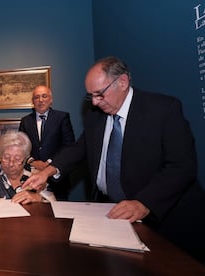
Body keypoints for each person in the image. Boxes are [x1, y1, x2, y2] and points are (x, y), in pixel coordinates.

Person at [23, 56, 205, 262]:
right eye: (90, 96)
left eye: (99, 94)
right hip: (111, 212)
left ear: (123, 82)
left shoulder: (163, 109)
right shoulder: (96, 115)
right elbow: (79, 148)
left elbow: (182, 166)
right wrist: (49, 170)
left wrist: (145, 203)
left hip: (164, 219)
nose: (94, 102)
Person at [19, 85, 75, 200]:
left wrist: (50, 162)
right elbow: (21, 146)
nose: (40, 100)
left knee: (60, 214)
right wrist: (32, 161)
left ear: (51, 99)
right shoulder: (25, 121)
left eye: (44, 96)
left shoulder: (62, 117)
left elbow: (68, 145)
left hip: (58, 178)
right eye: (36, 97)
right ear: (32, 102)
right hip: (33, 177)